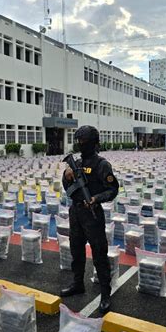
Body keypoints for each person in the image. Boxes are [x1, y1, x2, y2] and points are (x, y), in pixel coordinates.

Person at [61, 125, 119, 314]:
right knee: (76, 251)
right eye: (78, 141)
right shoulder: (75, 164)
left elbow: (112, 189)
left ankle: (105, 293)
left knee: (99, 255)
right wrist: (66, 175)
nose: (80, 144)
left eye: (83, 141)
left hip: (92, 214)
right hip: (76, 213)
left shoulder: (102, 164)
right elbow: (67, 188)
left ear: (93, 143)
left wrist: (96, 198)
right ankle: (78, 284)